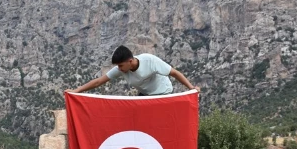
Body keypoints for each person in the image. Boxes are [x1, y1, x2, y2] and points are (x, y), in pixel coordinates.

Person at [65, 45, 200, 96]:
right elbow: (99, 82)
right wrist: (76, 91)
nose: (119, 69)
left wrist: (191, 88)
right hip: (145, 95)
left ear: (130, 61)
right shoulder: (122, 69)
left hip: (163, 93)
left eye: (121, 66)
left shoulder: (150, 61)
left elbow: (175, 73)